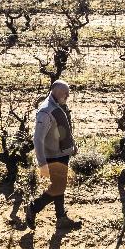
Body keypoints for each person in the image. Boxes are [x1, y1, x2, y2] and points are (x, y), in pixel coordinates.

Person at [26, 79, 83, 230]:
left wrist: (72, 147)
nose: (68, 96)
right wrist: (42, 163)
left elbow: (63, 130)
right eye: (66, 93)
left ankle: (61, 218)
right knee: (58, 187)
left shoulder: (58, 105)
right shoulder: (46, 111)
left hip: (61, 154)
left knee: (60, 186)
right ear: (57, 92)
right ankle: (33, 207)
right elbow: (37, 139)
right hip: (53, 156)